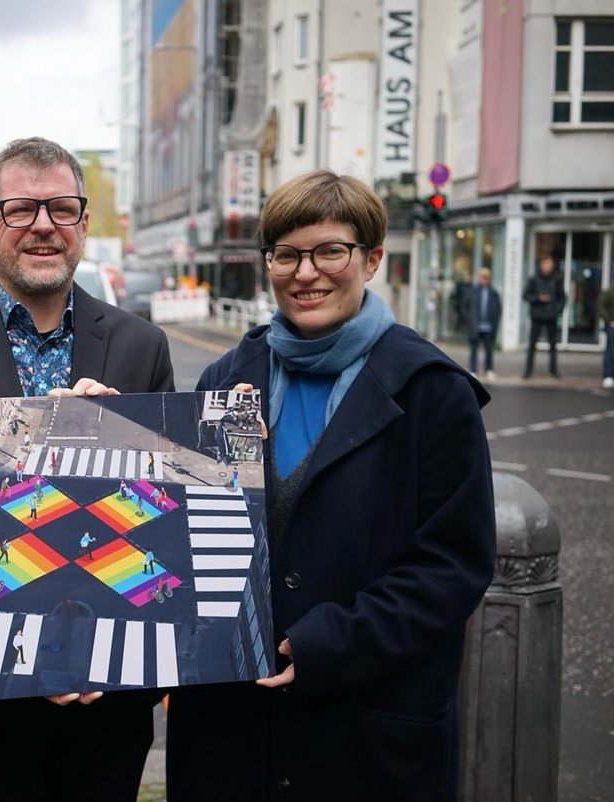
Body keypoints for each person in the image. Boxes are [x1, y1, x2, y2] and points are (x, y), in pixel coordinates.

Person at [166, 170, 496, 801]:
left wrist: (329, 643)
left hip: (367, 727)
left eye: (330, 251)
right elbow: (181, 535)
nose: (305, 272)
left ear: (371, 259)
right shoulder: (225, 377)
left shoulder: (433, 390)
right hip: (232, 730)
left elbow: (453, 565)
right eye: (286, 254)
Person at [0, 136, 173, 802]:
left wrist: (118, 438)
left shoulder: (141, 344)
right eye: (21, 209)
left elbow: (164, 514)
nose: (44, 225)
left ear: (83, 226)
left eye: (62, 209)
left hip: (107, 689)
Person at [523, 255, 566, 379]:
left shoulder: (557, 279)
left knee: (553, 345)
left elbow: (562, 297)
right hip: (537, 315)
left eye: (549, 264)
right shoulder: (534, 279)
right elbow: (525, 295)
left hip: (551, 316)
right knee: (532, 344)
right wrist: (538, 298)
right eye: (545, 264)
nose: (547, 266)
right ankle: (528, 370)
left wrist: (557, 310)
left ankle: (553, 370)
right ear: (541, 265)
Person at [461, 267, 501, 379]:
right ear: (478, 278)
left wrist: (495, 322)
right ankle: (473, 370)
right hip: (475, 326)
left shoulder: (493, 293)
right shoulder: (472, 291)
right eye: (482, 277)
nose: (484, 280)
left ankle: (489, 369)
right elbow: (464, 307)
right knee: (473, 349)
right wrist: (469, 319)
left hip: (488, 327)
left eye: (487, 278)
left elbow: (498, 309)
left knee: (489, 350)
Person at [599, 283, 614, 389]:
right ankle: (608, 375)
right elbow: (601, 305)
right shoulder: (610, 291)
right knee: (610, 351)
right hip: (612, 326)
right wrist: (609, 320)